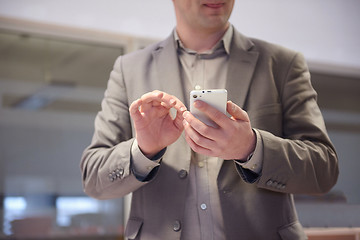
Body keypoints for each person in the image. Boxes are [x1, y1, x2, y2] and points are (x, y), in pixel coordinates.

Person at [80, 0, 339, 239]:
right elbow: (94, 178)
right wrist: (143, 151)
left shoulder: (283, 64)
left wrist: (251, 148)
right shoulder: (129, 69)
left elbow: (324, 169)